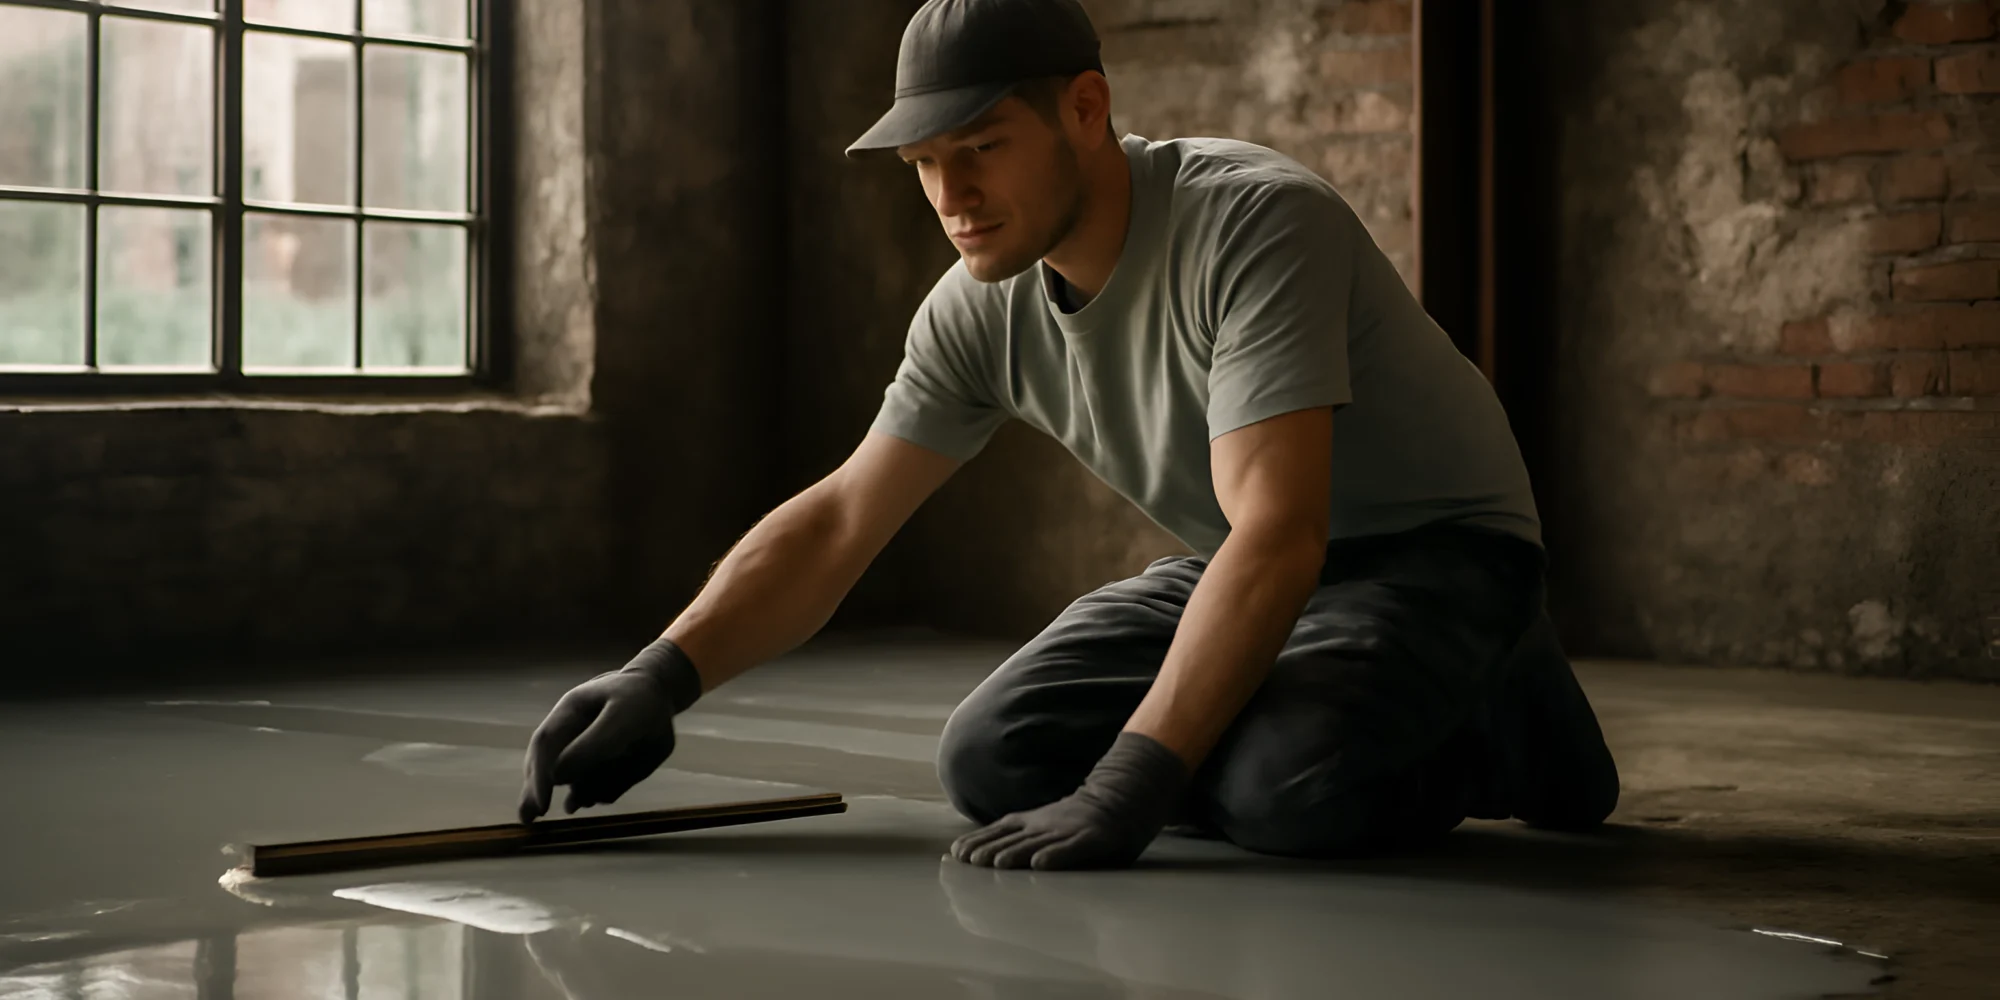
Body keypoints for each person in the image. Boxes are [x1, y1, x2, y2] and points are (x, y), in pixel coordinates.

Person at [517, 0, 1620, 871]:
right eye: (924, 164)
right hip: (1240, 559)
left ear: (1086, 109)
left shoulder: (1254, 223)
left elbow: (1282, 531)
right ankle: (1302, 713)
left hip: (1438, 554)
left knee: (1285, 792)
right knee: (991, 760)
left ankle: (1507, 708)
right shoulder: (977, 304)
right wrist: (663, 673)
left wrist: (1130, 784)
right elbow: (847, 515)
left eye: (982, 146)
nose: (952, 195)